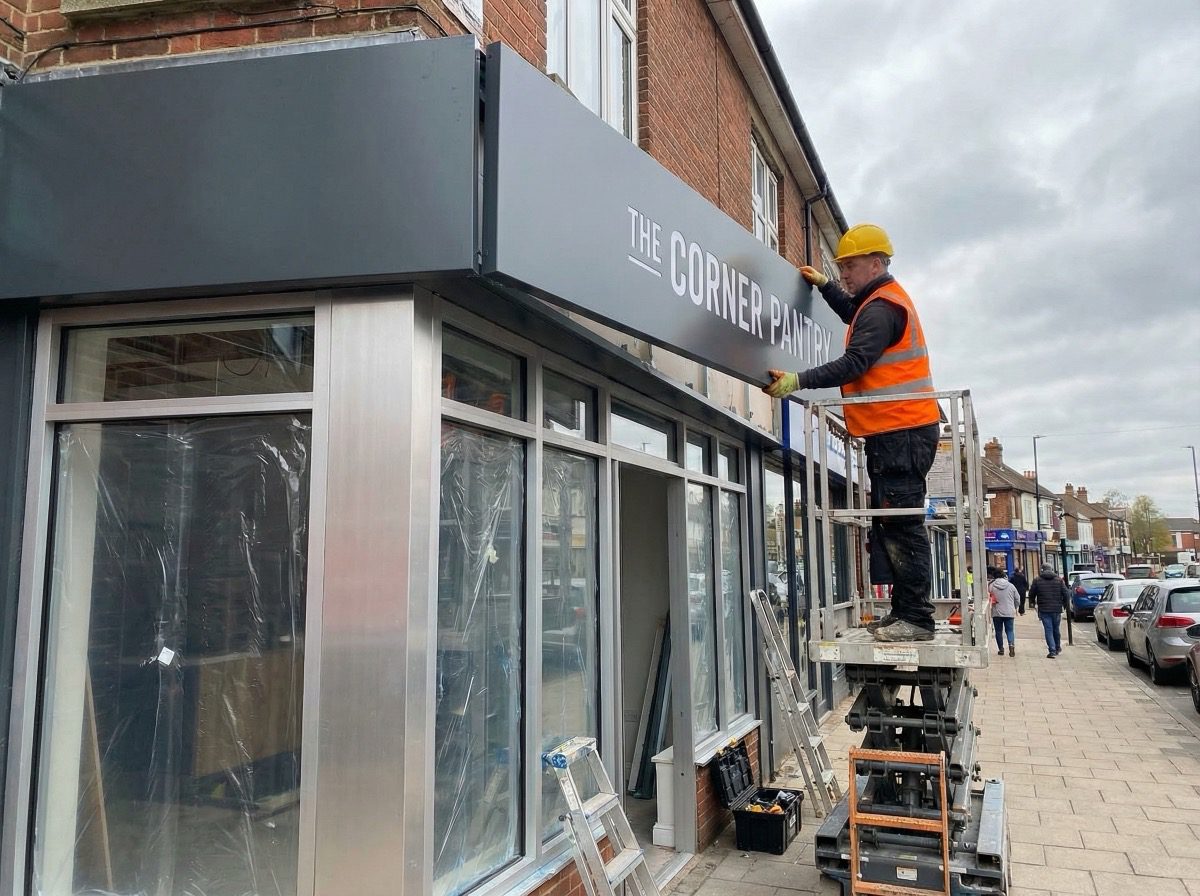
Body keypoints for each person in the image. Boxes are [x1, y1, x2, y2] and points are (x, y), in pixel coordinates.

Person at [763, 224, 940, 643]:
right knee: (891, 524)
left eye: (850, 266)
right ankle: (905, 614)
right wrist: (825, 287)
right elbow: (851, 313)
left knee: (901, 525)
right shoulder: (876, 302)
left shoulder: (882, 309)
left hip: (903, 432)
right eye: (840, 267)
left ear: (876, 263)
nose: (844, 273)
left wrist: (796, 380)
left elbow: (856, 361)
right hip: (896, 432)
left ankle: (915, 618)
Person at [1028, 564, 1070, 658]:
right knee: (1056, 629)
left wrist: (1032, 603)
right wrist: (1064, 605)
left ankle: (1052, 650)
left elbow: (1032, 593)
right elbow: (1066, 594)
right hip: (1057, 609)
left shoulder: (1037, 580)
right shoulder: (1059, 580)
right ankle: (1057, 647)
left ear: (1042, 570)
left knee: (1048, 630)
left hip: (1044, 609)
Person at [987, 566, 1020, 656]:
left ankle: (1001, 649)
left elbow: (988, 597)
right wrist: (1015, 607)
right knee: (1009, 630)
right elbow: (1017, 598)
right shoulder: (1010, 585)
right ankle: (1011, 645)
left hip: (996, 611)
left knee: (998, 631)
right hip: (1009, 611)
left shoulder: (991, 585)